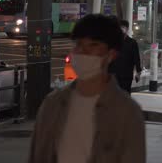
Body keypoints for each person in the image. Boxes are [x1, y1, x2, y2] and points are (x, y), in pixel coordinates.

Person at [28, 14, 145, 163]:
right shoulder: (52, 104)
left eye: (93, 45)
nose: (83, 52)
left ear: (111, 54)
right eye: (79, 44)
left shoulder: (127, 113)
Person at [113, 20, 142, 94]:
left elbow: (136, 58)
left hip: (127, 74)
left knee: (126, 93)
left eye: (123, 27)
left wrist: (138, 73)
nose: (122, 29)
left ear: (127, 29)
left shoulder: (132, 42)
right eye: (120, 27)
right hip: (115, 73)